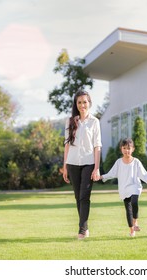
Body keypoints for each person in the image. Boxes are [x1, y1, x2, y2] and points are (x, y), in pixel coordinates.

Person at [99, 138, 147, 237]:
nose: (126, 150)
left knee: (134, 202)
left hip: (134, 187)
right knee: (128, 210)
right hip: (124, 189)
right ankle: (132, 230)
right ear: (121, 149)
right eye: (124, 148)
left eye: (129, 148)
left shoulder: (136, 162)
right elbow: (112, 173)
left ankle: (135, 221)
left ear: (133, 149)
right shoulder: (119, 162)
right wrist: (101, 177)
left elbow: (143, 174)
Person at [62, 90, 102, 240]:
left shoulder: (94, 122)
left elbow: (97, 146)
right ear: (76, 104)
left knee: (84, 196)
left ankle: (82, 229)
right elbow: (67, 145)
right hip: (72, 163)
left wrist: (96, 168)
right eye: (79, 102)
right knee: (78, 197)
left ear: (89, 103)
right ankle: (84, 226)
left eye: (85, 102)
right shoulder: (70, 121)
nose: (82, 105)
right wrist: (65, 166)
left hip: (89, 163)